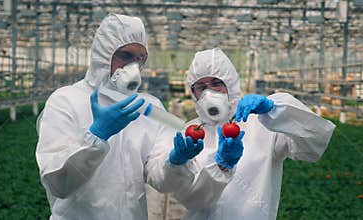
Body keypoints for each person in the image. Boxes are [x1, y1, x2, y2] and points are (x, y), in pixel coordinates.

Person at [35, 14, 233, 220]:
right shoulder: (66, 101)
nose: (134, 67)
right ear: (103, 54)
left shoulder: (149, 107)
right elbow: (58, 183)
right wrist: (96, 137)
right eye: (126, 56)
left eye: (140, 59)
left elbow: (161, 181)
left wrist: (175, 161)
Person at [172, 48, 336, 220]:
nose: (209, 92)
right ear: (193, 92)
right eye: (201, 87)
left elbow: (315, 141)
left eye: (216, 83)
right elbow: (187, 197)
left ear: (230, 83)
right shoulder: (189, 133)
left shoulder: (262, 124)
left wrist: (276, 111)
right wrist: (217, 166)